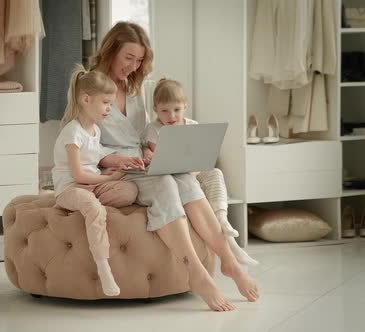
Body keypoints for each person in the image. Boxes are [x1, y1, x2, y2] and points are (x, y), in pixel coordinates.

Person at [89, 22, 259, 311]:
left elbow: (143, 132)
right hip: (118, 167)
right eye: (128, 57)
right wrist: (114, 159)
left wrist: (153, 153)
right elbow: (80, 138)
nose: (133, 66)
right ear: (112, 49)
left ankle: (229, 262)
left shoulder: (133, 87)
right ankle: (195, 271)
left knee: (185, 179)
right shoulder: (89, 84)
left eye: (139, 60)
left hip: (143, 161)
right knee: (166, 183)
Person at [142, 78, 259, 265]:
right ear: (155, 109)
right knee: (190, 180)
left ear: (185, 106)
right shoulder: (153, 130)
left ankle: (221, 217)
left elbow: (203, 158)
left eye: (177, 110)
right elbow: (161, 161)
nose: (171, 115)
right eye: (165, 110)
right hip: (175, 177)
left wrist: (195, 169)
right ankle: (232, 247)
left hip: (193, 172)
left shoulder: (192, 125)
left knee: (215, 173)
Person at [51, 64, 138, 297]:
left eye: (111, 103)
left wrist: (123, 161)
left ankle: (95, 201)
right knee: (93, 207)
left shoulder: (95, 130)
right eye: (106, 103)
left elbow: (100, 155)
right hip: (70, 189)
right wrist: (103, 179)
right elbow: (78, 174)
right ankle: (103, 267)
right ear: (86, 100)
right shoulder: (72, 133)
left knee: (129, 191)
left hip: (91, 186)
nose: (110, 108)